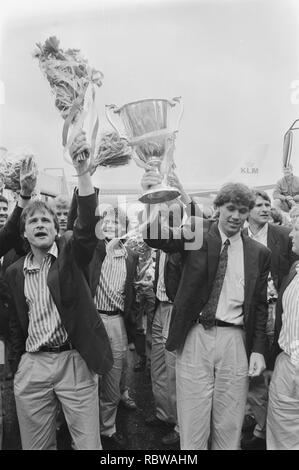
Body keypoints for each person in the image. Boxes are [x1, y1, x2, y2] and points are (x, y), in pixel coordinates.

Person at [141, 171, 271, 450]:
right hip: (196, 336)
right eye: (230, 209)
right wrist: (155, 199)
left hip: (235, 341)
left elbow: (260, 306)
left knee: (229, 424)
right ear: (218, 208)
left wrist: (258, 349)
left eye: (242, 210)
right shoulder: (198, 233)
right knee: (192, 421)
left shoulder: (259, 253)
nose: (236, 216)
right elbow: (154, 237)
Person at [5, 131, 113, 450]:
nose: (40, 224)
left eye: (46, 221)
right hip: (33, 365)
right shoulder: (14, 272)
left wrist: (82, 173)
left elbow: (85, 228)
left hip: (73, 361)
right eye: (33, 221)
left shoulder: (70, 253)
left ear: (56, 230)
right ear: (23, 232)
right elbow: (15, 323)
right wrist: (20, 364)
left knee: (87, 443)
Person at [241, 189, 298, 450]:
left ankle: (270, 426)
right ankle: (263, 423)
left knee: (275, 369)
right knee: (254, 370)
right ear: (247, 210)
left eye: (267, 204)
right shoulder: (238, 236)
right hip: (252, 314)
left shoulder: (284, 235)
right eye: (259, 205)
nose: (265, 208)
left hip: (282, 314)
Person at [266, 216, 299, 449]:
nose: (291, 234)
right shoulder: (295, 269)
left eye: (297, 229)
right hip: (286, 365)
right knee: (283, 436)